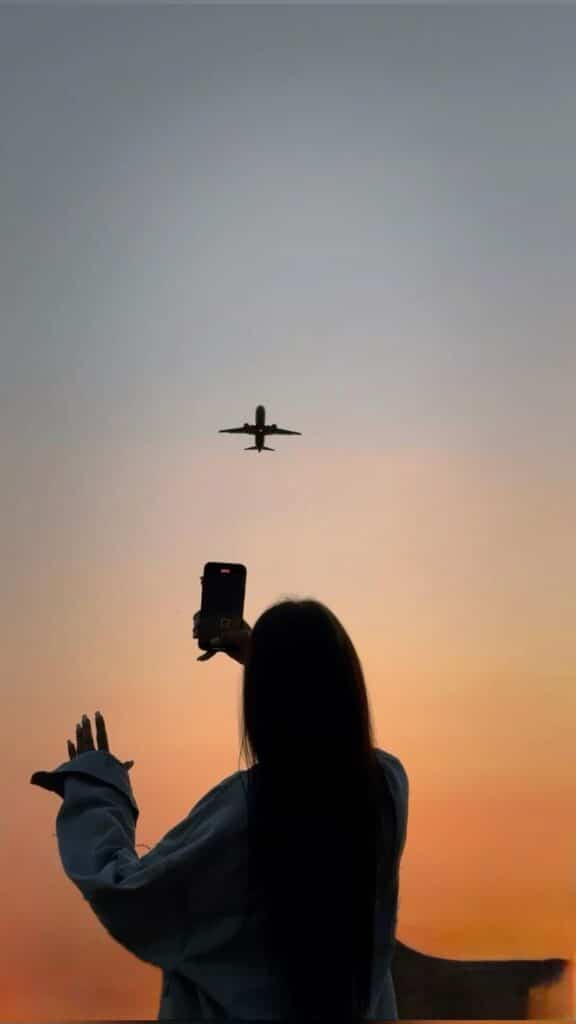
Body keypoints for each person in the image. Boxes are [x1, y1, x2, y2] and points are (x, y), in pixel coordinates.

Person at [30, 598, 409, 1021]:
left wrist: (96, 790)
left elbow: (129, 895)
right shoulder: (385, 790)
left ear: (260, 705)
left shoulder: (245, 815)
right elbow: (325, 725)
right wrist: (264, 658)